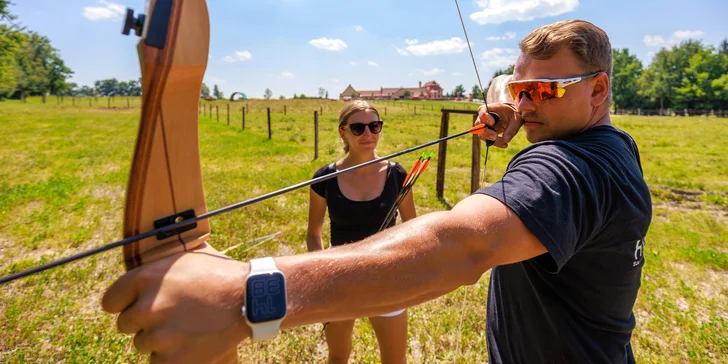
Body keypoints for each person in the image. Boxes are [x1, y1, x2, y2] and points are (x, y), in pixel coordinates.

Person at [102, 19, 652, 364]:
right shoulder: (612, 144)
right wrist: (511, 105)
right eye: (522, 88)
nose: (528, 103)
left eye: (544, 91)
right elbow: (509, 92)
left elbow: (464, 244)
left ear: (599, 88)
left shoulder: (570, 168)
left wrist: (243, 296)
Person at [307, 100, 415, 363]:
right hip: (340, 272)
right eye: (358, 128)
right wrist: (321, 271)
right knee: (338, 357)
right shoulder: (324, 178)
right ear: (342, 132)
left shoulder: (397, 174)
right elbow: (313, 233)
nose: (368, 134)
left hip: (386, 272)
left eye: (374, 126)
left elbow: (413, 226)